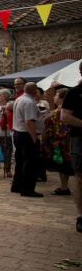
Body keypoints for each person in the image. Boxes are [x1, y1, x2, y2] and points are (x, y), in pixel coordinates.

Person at [60, 61, 82, 232]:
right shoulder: (75, 93)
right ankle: (81, 216)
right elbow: (65, 116)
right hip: (79, 139)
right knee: (80, 178)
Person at [11, 82, 43, 197]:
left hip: (18, 133)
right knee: (30, 163)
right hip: (26, 135)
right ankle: (27, 189)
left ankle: (17, 186)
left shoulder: (20, 99)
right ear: (34, 91)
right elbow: (29, 121)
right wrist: (34, 137)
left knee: (20, 162)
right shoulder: (29, 102)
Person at [42, 88, 73, 196]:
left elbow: (62, 128)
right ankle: (64, 186)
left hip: (62, 142)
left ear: (62, 98)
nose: (54, 97)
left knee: (64, 164)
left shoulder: (62, 111)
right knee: (63, 165)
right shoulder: (63, 110)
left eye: (56, 95)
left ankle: (64, 187)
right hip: (63, 141)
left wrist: (57, 140)